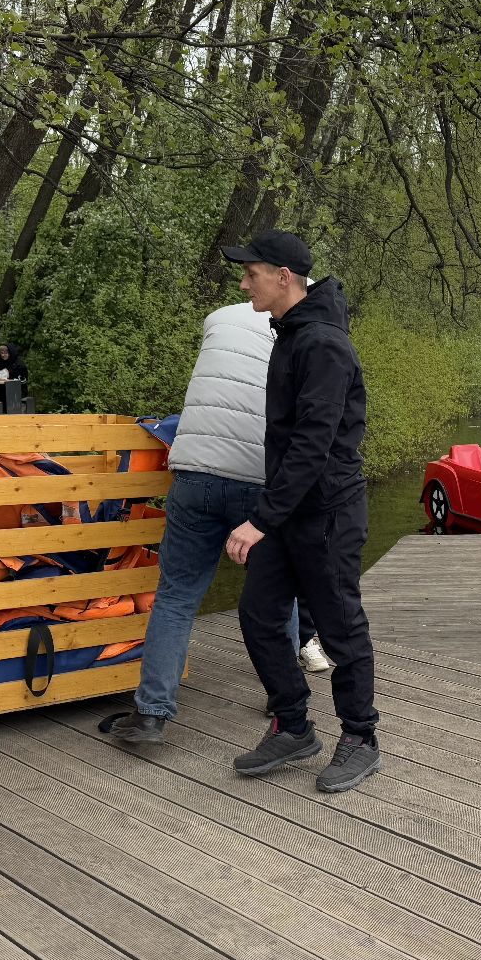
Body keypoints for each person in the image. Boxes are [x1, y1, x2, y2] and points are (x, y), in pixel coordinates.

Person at [103, 292, 329, 747]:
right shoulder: (300, 332)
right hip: (258, 476)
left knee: (177, 596)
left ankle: (151, 714)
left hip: (196, 469)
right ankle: (281, 696)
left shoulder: (217, 318)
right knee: (275, 590)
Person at [221, 230, 381, 794]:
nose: (245, 285)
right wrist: (272, 515)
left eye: (252, 274)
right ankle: (293, 725)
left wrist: (260, 520)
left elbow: (314, 444)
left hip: (329, 512)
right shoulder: (292, 335)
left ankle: (361, 736)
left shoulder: (323, 345)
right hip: (290, 511)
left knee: (340, 628)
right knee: (259, 616)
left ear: (283, 277)